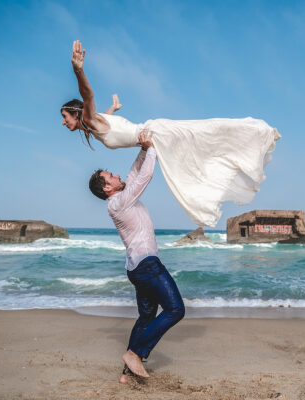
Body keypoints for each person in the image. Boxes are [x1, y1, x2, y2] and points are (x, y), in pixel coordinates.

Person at [63, 40, 281, 227]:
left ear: (76, 113)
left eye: (65, 116)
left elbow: (88, 96)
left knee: (206, 134)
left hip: (156, 133)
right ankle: (248, 146)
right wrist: (114, 108)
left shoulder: (92, 119)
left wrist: (78, 71)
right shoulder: (96, 124)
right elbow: (108, 121)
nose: (64, 122)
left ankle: (260, 134)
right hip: (153, 138)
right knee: (197, 152)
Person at [88, 129, 185, 382]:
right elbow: (145, 176)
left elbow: (133, 173)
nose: (117, 174)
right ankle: (135, 353)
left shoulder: (120, 197)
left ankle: (127, 374)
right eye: (111, 175)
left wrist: (143, 149)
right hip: (147, 265)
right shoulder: (119, 202)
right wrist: (152, 148)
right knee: (176, 309)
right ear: (108, 187)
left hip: (137, 268)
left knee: (146, 316)